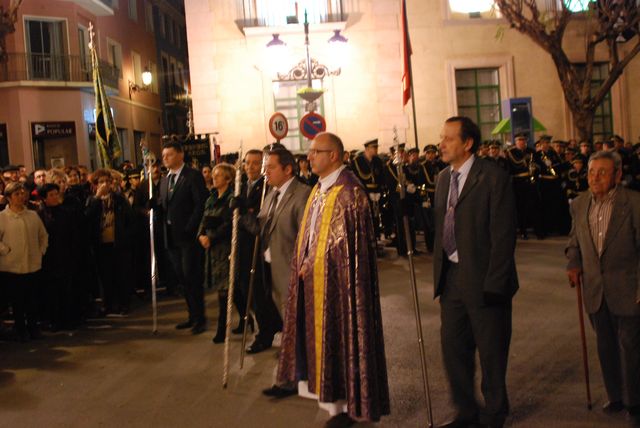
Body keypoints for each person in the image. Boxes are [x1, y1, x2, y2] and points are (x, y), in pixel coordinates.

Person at [265, 132, 390, 428]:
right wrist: (303, 261)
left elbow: (346, 245)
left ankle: (350, 406)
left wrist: (314, 263)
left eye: (315, 151)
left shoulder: (349, 192)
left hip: (341, 287)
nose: (309, 157)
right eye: (309, 151)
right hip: (316, 284)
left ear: (333, 155)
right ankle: (335, 404)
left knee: (345, 338)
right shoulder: (320, 189)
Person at [433, 116, 518, 428]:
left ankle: (495, 413)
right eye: (441, 138)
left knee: (491, 350)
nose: (441, 144)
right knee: (454, 348)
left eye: (449, 138)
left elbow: (503, 235)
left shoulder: (493, 177)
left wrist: (495, 283)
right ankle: (466, 411)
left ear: (467, 143)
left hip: (486, 281)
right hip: (452, 278)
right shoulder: (443, 178)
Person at [566, 150, 640, 427]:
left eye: (602, 172)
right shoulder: (580, 203)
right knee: (605, 345)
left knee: (631, 347)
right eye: (591, 172)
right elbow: (574, 240)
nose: (594, 178)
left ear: (618, 175)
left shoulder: (633, 203)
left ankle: (635, 401)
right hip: (596, 290)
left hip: (628, 287)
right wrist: (573, 263)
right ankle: (616, 396)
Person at [244, 148, 310, 354]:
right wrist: (243, 214)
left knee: (297, 318)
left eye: (271, 167)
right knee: (284, 316)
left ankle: (300, 367)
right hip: (270, 266)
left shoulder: (302, 194)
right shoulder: (271, 194)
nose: (266, 172)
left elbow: (307, 235)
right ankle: (292, 360)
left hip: (291, 266)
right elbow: (262, 228)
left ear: (288, 169)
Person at [158, 140, 208, 335]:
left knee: (191, 276)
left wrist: (191, 228)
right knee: (181, 278)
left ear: (180, 155)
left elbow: (200, 204)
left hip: (188, 236)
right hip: (171, 237)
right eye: (164, 156)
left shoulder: (192, 176)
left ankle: (200, 317)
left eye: (169, 155)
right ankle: (191, 315)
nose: (165, 159)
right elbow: (165, 205)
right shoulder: (164, 180)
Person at [0, 182, 48, 341]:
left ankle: (34, 327)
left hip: (33, 264)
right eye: (16, 194)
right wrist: (6, 250)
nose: (21, 197)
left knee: (32, 299)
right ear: (8, 198)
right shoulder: (2, 217)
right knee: (17, 301)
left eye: (22, 194)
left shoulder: (32, 215)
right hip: (12, 266)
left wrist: (41, 250)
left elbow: (43, 235)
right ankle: (21, 329)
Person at [85, 169, 135, 316]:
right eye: (101, 182)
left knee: (121, 274)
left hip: (118, 243)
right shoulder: (92, 200)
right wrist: (97, 198)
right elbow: (87, 217)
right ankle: (108, 304)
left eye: (107, 181)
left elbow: (130, 220)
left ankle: (123, 304)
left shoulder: (119, 199)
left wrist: (126, 237)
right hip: (101, 244)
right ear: (95, 185)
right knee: (105, 276)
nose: (105, 184)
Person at [197, 163, 235, 344]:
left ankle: (222, 329)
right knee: (232, 291)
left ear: (228, 179)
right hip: (211, 249)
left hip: (224, 248)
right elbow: (203, 220)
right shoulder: (210, 198)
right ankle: (246, 317)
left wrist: (213, 237)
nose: (214, 178)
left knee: (224, 290)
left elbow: (228, 225)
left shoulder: (231, 199)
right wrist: (201, 236)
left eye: (219, 175)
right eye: (213, 175)